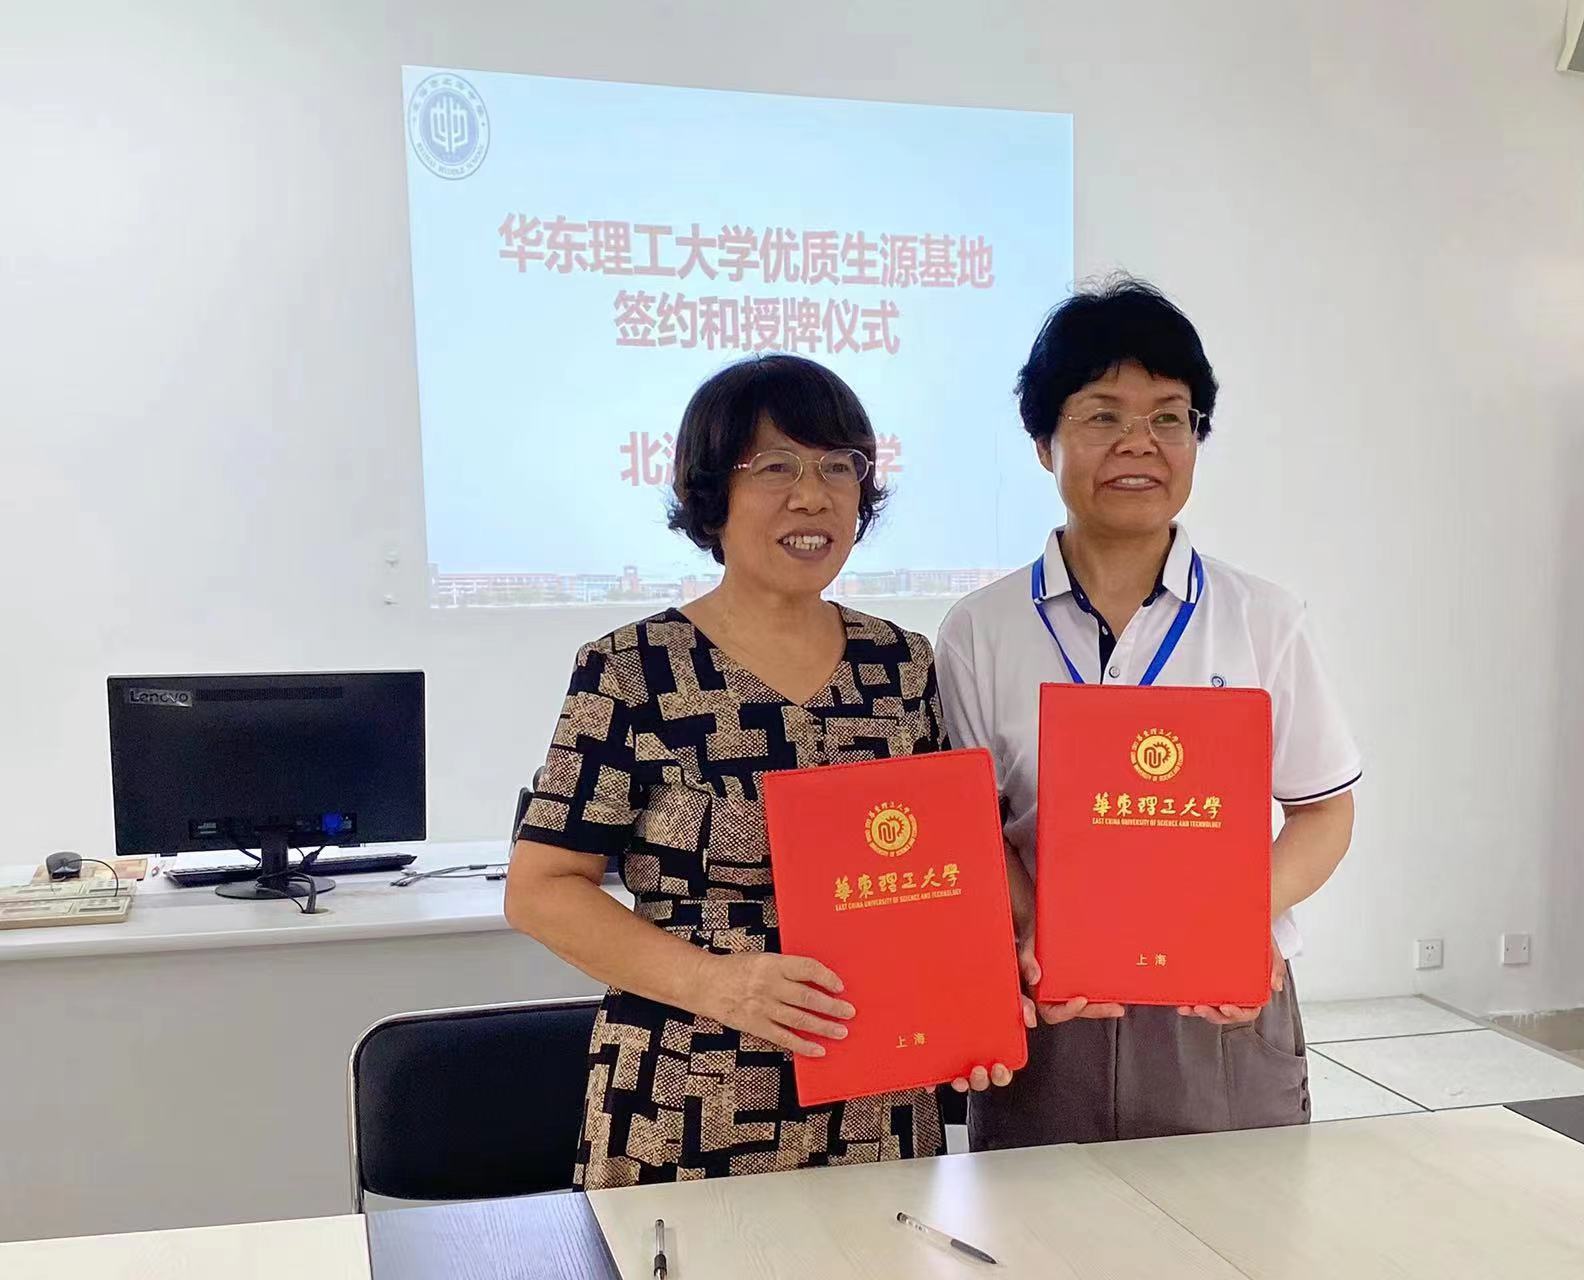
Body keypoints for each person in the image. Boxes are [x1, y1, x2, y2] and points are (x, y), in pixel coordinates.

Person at [506, 354, 1020, 1188]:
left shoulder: (900, 664)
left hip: (877, 1094)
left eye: (838, 467)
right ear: (713, 495)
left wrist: (975, 1011)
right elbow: (541, 890)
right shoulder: (633, 670)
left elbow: (946, 874)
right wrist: (721, 985)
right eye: (775, 466)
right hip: (687, 1095)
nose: (813, 496)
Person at [936, 278, 1360, 1148]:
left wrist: (1236, 918)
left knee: (1233, 1220)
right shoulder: (979, 630)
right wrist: (1039, 929)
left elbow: (1324, 809)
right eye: (1103, 416)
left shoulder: (1263, 617)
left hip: (1221, 1007)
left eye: (1170, 418)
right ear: (1044, 442)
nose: (1140, 443)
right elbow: (972, 830)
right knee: (1042, 1221)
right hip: (1051, 1003)